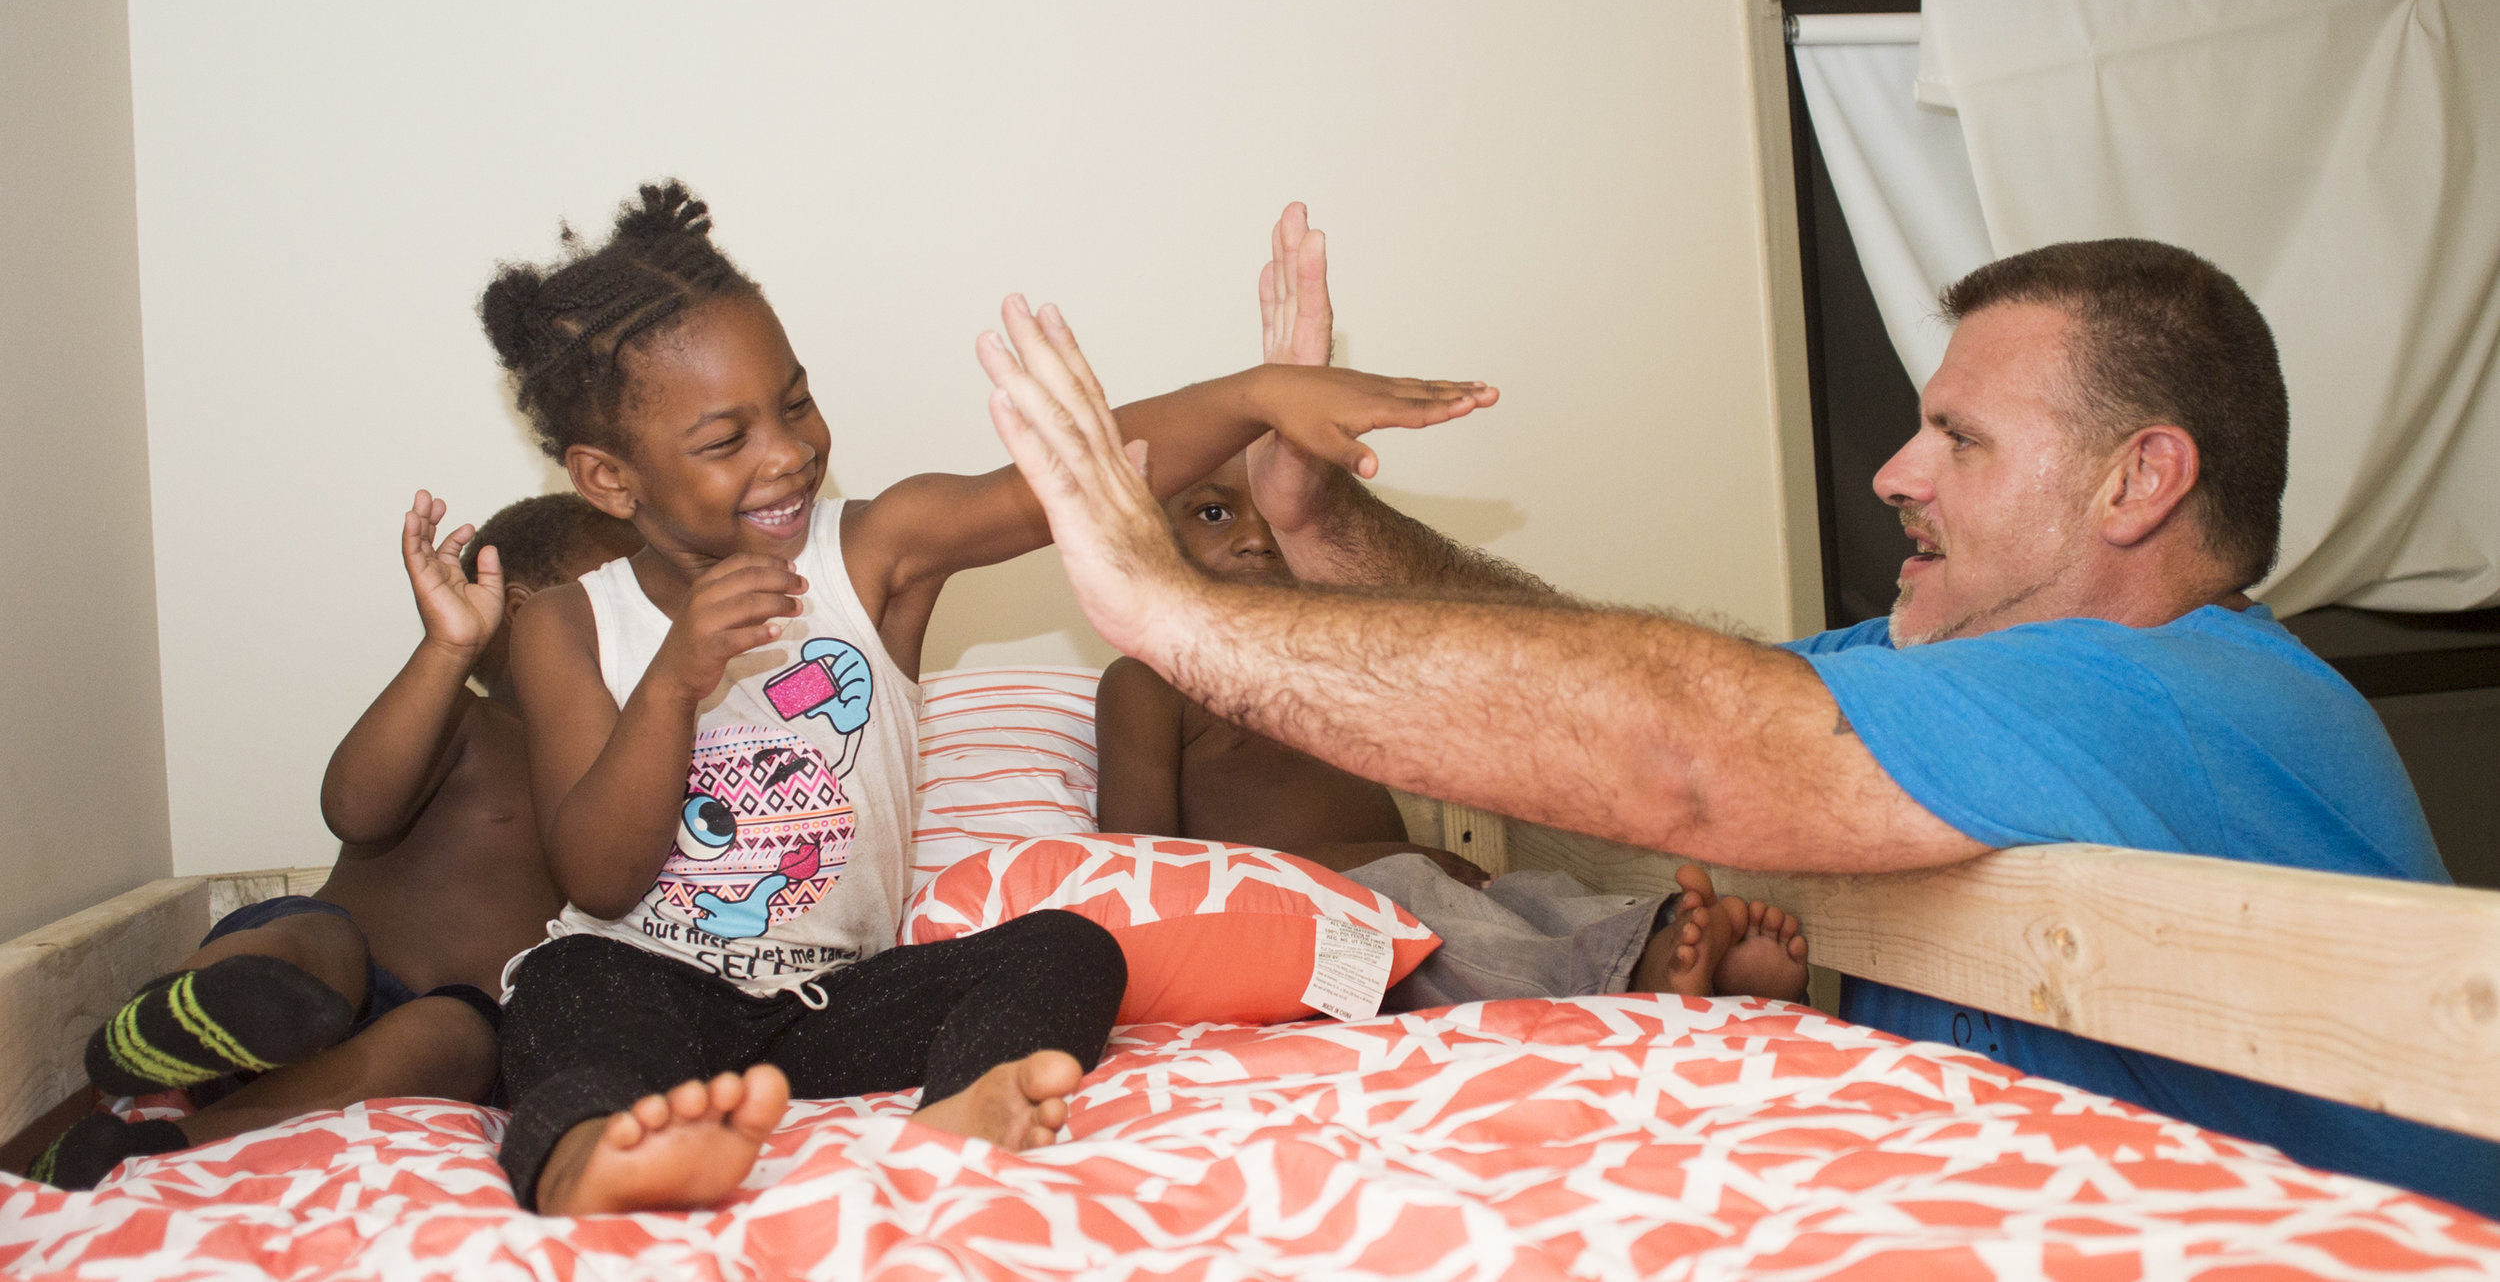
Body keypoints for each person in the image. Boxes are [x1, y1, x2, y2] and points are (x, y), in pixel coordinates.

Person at [974, 218, 2500, 1217]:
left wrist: (1170, 607)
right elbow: (1579, 666)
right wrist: (1313, 526)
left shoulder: (2175, 689)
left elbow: (1682, 754)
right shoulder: (1965, 672)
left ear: (2138, 481)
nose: (1896, 472)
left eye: (1957, 437)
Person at [478, 181, 1498, 1217]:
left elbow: (1057, 477)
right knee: (562, 991)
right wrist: (674, 679)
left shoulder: (870, 554)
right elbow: (600, 876)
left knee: (1069, 945)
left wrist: (1255, 393)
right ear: (609, 479)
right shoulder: (567, 623)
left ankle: (963, 1107)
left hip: (828, 1000)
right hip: (637, 980)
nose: (785, 452)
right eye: (723, 439)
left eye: (793, 402)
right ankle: (589, 1157)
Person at [39, 490, 640, 1190]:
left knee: (462, 1033)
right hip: (312, 985)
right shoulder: (468, 723)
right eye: (627, 609)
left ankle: (152, 1152)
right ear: (520, 614)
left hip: (419, 1036)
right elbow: (353, 809)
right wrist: (447, 649)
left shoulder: (629, 772)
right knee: (318, 943)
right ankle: (179, 1015)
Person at [1098, 445, 1808, 1006]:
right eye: (1215, 514)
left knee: (1537, 895)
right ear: (1156, 550)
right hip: (1297, 923)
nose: (1258, 538)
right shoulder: (1148, 682)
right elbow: (1143, 868)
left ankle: (1669, 941)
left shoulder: (1335, 663)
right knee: (1440, 944)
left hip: (1420, 888)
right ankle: (1626, 980)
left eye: (1274, 517)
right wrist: (1361, 862)